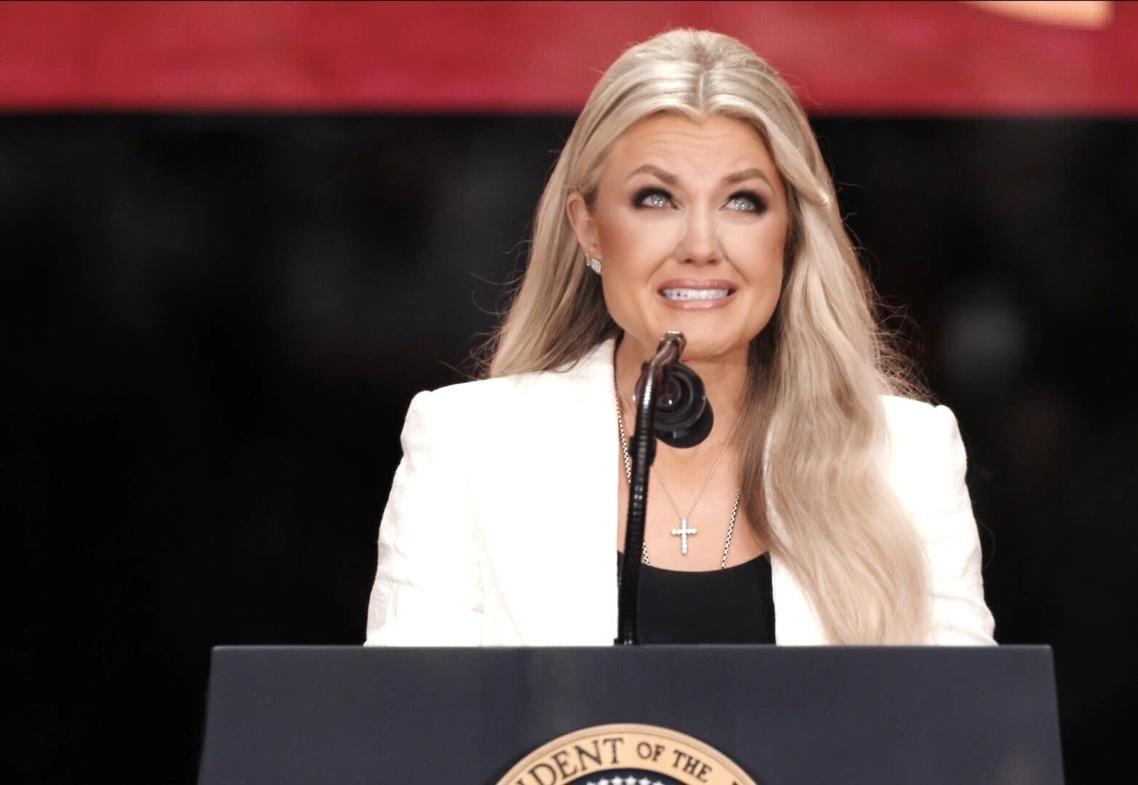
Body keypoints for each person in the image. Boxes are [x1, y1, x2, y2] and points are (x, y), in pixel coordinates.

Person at [364, 28, 996, 646]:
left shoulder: (905, 460)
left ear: (791, 233)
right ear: (588, 227)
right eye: (656, 198)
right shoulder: (468, 447)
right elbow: (412, 711)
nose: (700, 245)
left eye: (742, 202)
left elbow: (965, 713)